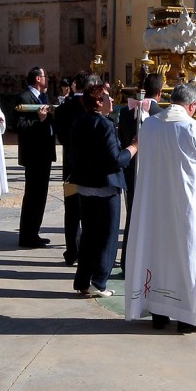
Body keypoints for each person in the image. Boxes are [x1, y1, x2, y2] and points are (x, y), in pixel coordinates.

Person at [125, 82, 196, 333]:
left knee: (158, 252)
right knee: (189, 254)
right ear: (192, 105)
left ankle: (159, 312)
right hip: (188, 204)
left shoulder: (149, 125)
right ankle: (189, 317)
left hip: (154, 204)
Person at [68, 78, 137, 296]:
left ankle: (82, 281)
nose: (111, 101)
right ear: (98, 102)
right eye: (107, 98)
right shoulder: (104, 125)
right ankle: (99, 282)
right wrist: (133, 147)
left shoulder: (79, 122)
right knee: (107, 236)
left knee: (89, 235)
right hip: (106, 187)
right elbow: (115, 159)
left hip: (85, 186)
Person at [119, 72, 164, 272]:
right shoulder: (162, 114)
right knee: (152, 218)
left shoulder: (126, 112)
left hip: (131, 171)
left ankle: (128, 261)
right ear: (160, 92)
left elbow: (122, 138)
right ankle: (148, 263)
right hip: (152, 172)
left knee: (132, 217)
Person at [15, 66, 56, 248]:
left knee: (41, 196)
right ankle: (26, 235)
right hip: (33, 155)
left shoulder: (43, 97)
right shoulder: (24, 98)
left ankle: (34, 232)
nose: (46, 78)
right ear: (38, 79)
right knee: (32, 196)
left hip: (45, 153)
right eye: (44, 75)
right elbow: (19, 126)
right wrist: (39, 121)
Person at [53, 72, 90, 266]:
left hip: (70, 167)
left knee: (72, 209)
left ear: (75, 85)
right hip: (90, 169)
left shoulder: (62, 109)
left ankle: (72, 251)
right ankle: (87, 251)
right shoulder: (91, 108)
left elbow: (60, 137)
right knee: (90, 210)